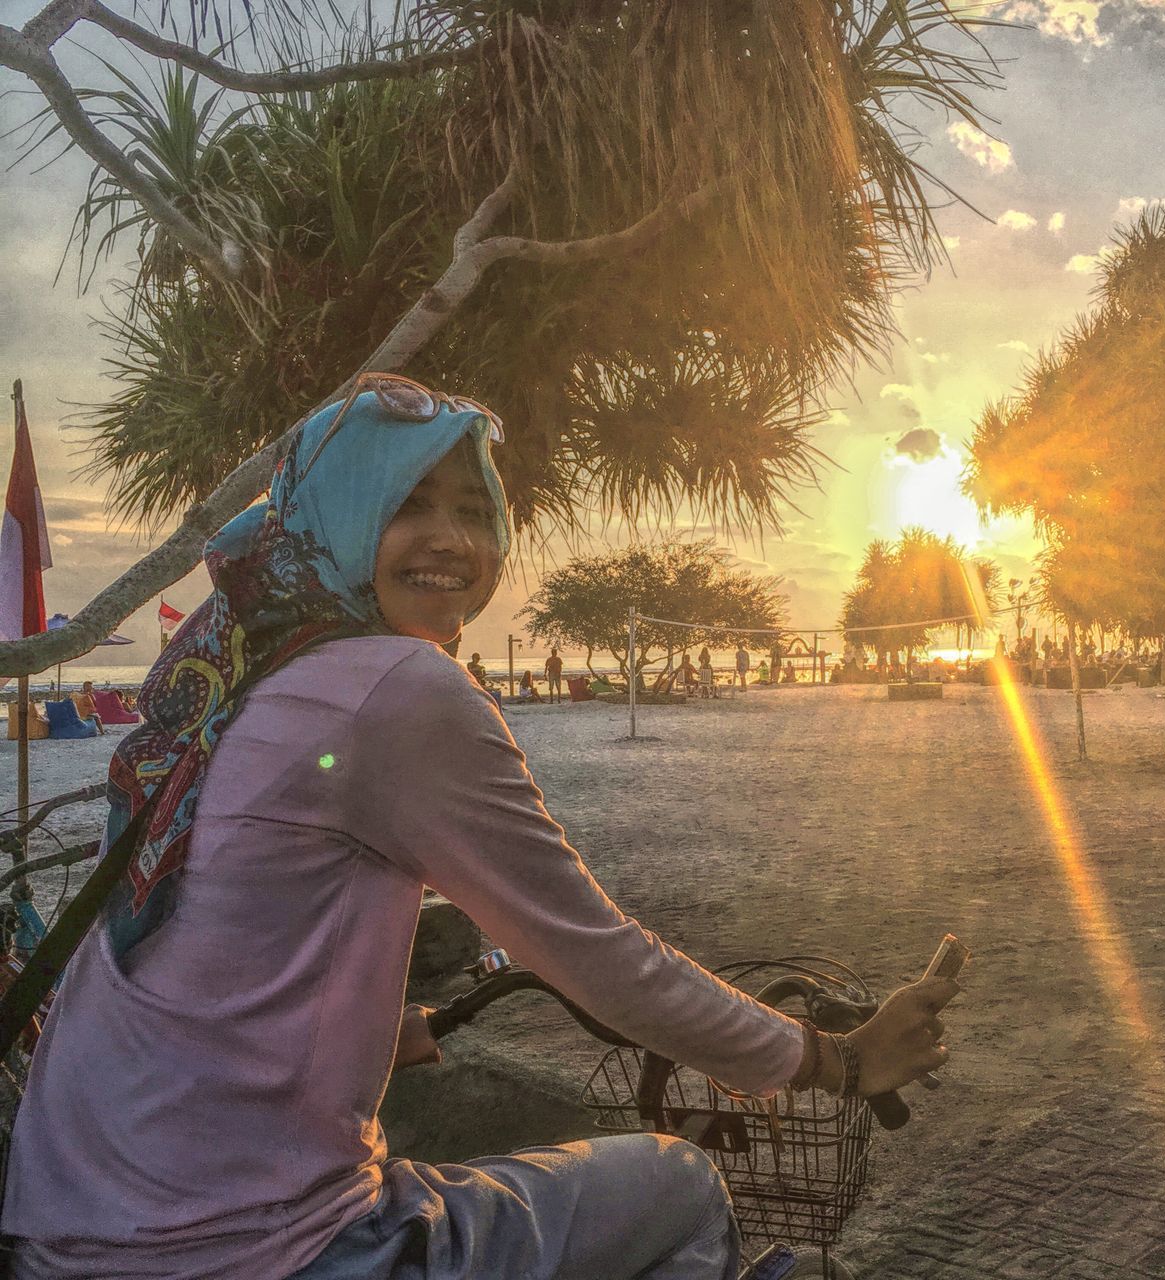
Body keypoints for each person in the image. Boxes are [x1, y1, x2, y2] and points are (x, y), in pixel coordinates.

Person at [0, 380, 961, 1279]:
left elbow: (220, 928)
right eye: (407, 503)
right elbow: (598, 953)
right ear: (336, 516)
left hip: (63, 1219)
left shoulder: (243, 667)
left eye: (474, 508)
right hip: (242, 1248)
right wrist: (833, 1059)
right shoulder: (395, 687)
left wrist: (381, 1027)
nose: (451, 539)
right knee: (678, 1182)